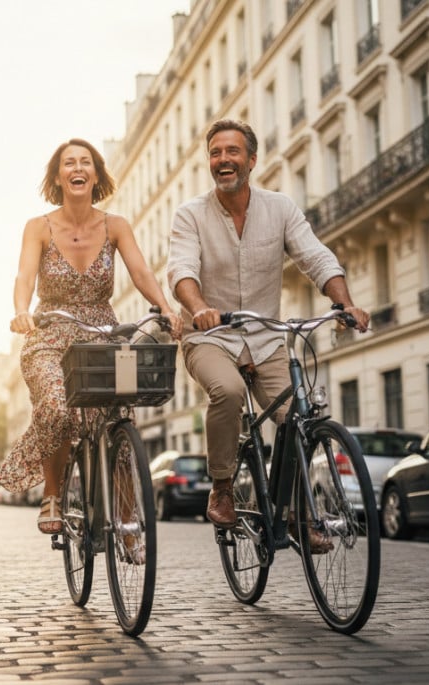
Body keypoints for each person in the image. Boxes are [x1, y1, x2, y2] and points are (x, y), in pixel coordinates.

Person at [167, 118, 369, 552]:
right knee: (227, 390)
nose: (223, 159)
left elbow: (314, 255)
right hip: (210, 338)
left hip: (266, 336)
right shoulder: (190, 215)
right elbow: (180, 270)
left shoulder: (279, 208)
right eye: (216, 153)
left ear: (252, 160)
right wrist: (199, 308)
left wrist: (345, 303)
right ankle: (222, 486)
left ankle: (295, 513)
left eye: (232, 151)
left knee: (297, 416)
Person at [0, 137, 182, 535]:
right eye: (69, 163)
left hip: (102, 332)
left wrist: (165, 308)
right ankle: (52, 494)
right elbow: (24, 277)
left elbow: (141, 272)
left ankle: (129, 516)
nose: (77, 168)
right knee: (56, 408)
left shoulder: (115, 225)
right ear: (58, 176)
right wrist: (20, 311)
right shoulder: (38, 227)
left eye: (86, 162)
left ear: (96, 174)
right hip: (48, 332)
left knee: (118, 417)